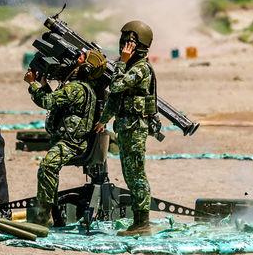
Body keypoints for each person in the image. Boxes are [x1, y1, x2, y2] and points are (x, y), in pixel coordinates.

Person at [24, 50, 106, 226]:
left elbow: (47, 102)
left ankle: (44, 216)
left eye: (80, 58)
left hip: (71, 143)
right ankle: (55, 215)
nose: (76, 59)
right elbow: (57, 101)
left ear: (86, 67)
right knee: (50, 169)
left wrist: (32, 84)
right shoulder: (82, 87)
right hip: (74, 141)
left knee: (47, 166)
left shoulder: (76, 88)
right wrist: (44, 84)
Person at [94, 20, 157, 236]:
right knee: (130, 174)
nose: (125, 46)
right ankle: (139, 222)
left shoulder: (140, 69)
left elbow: (117, 85)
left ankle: (142, 223)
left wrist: (122, 61)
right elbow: (115, 97)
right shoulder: (130, 66)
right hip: (126, 127)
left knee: (137, 175)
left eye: (129, 42)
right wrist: (103, 120)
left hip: (135, 129)